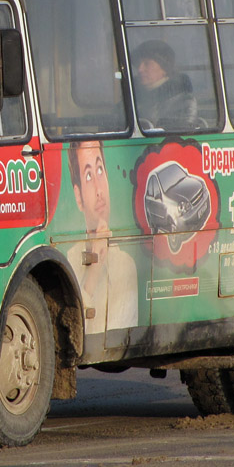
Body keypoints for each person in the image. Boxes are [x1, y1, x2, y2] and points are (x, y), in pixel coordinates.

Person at [64, 141, 138, 333]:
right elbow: (72, 334)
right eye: (88, 175)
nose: (99, 189)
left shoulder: (126, 264)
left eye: (99, 171)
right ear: (78, 197)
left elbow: (121, 337)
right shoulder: (68, 263)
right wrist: (94, 271)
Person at [132, 39, 198, 129]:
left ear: (164, 69)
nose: (140, 69)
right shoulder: (131, 97)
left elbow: (179, 134)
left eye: (147, 64)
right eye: (138, 64)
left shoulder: (183, 101)